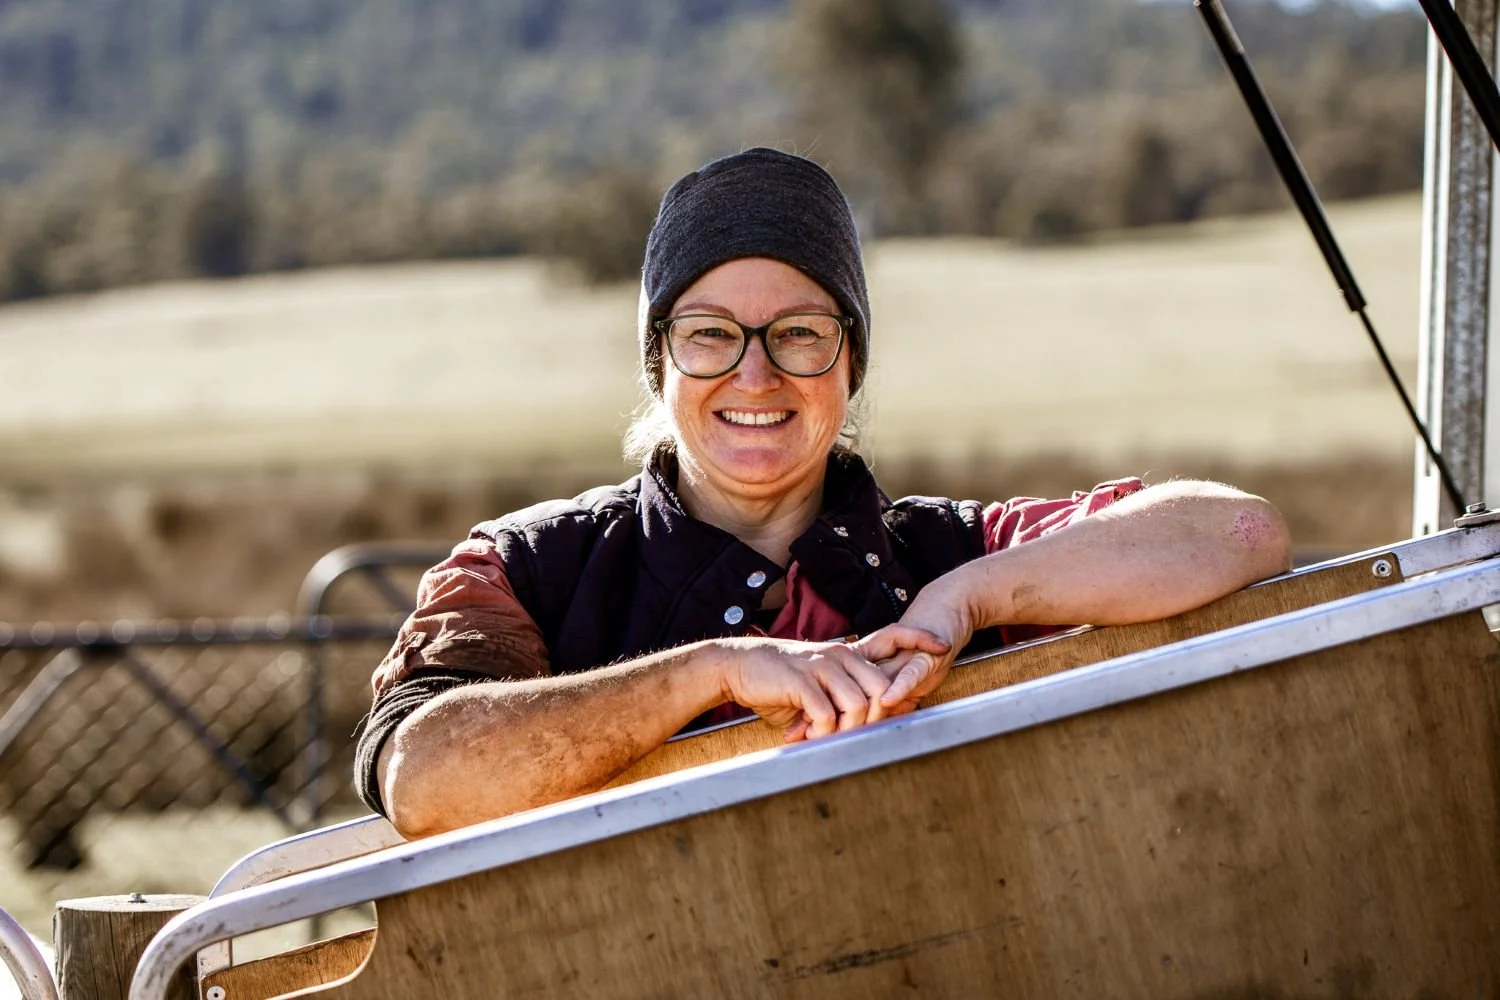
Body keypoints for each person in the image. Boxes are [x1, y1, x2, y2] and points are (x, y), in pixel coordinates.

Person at [356, 148, 1291, 839]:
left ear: (851, 361)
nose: (755, 377)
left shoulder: (949, 556)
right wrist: (708, 671)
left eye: (799, 333)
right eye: (711, 334)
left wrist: (969, 603)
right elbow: (424, 779)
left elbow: (1241, 532)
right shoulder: (527, 567)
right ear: (659, 363)